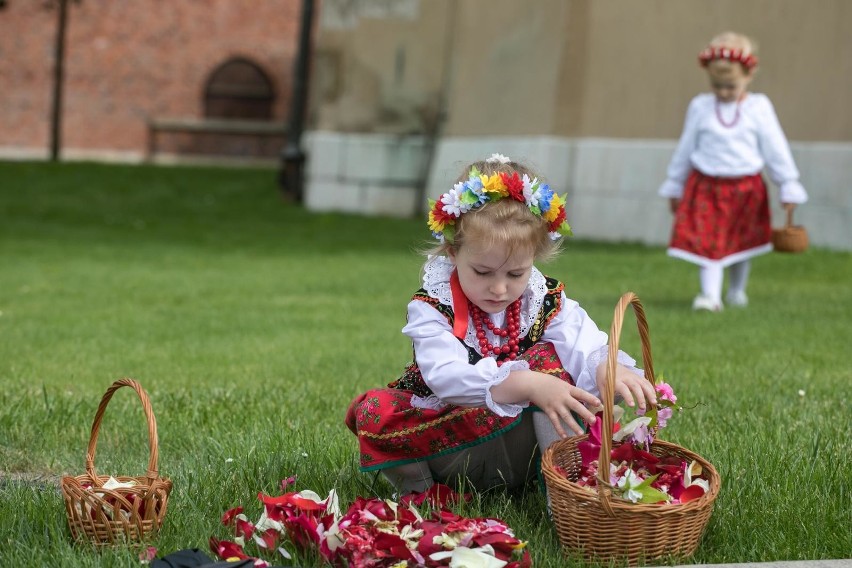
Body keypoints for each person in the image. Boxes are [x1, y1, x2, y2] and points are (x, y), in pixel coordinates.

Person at [345, 153, 657, 496]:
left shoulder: (543, 300)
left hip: (524, 446)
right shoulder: (433, 307)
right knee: (374, 410)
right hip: (453, 456)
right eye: (482, 272)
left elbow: (582, 341)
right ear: (452, 252)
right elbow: (446, 377)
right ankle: (421, 493)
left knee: (551, 362)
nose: (499, 288)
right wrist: (525, 383)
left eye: (515, 273)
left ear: (533, 260)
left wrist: (607, 367)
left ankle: (566, 492)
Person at [659, 31, 808, 311]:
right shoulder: (701, 107)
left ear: (748, 75)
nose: (723, 92)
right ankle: (710, 296)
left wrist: (787, 183)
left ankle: (737, 291)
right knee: (709, 245)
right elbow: (685, 148)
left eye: (730, 86)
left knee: (740, 242)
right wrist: (674, 184)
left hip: (746, 189)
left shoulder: (759, 108)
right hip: (706, 187)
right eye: (717, 85)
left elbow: (775, 147)